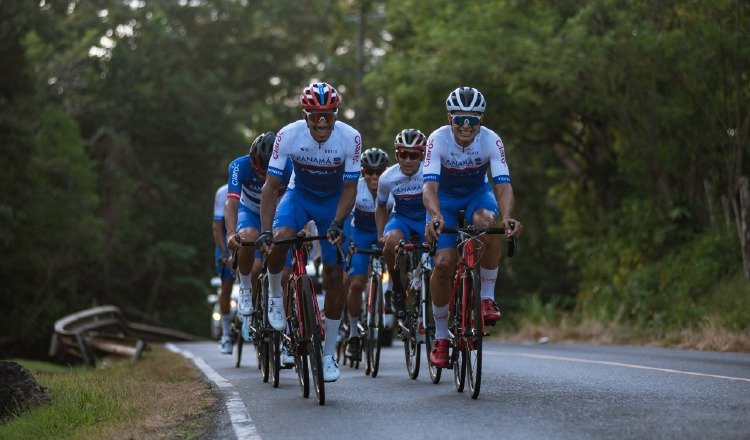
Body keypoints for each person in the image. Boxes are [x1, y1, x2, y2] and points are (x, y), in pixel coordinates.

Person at [256, 82, 361, 382]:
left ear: (336, 114)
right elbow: (271, 187)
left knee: (333, 275)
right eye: (315, 116)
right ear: (305, 116)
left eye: (328, 115)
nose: (323, 122)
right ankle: (276, 295)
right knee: (280, 238)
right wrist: (265, 230)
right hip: (299, 196)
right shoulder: (287, 136)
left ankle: (328, 352)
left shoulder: (350, 137)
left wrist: (338, 223)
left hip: (334, 202)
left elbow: (351, 188)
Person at [423, 86, 523, 368]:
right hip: (444, 199)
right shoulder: (437, 140)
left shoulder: (491, 140)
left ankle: (487, 299)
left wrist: (506, 218)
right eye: (460, 119)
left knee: (486, 224)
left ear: (481, 120)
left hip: (477, 194)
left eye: (473, 119)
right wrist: (435, 215)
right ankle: (441, 337)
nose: (466, 125)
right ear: (449, 118)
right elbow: (429, 186)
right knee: (443, 264)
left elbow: (503, 185)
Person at [224, 133, 293, 347]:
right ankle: (246, 289)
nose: (263, 174)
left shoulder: (289, 166)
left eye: (267, 168)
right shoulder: (239, 166)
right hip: (250, 212)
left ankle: (287, 332)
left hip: (276, 213)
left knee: (286, 276)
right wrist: (230, 233)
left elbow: (296, 197)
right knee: (249, 242)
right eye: (258, 168)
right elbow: (231, 204)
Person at [375, 129, 428, 321]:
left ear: (421, 155)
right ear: (396, 154)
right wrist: (381, 234)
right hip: (402, 218)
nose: (407, 160)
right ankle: (396, 286)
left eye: (413, 155)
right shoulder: (387, 177)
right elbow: (380, 206)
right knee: (391, 242)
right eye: (402, 154)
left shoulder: (430, 172)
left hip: (425, 218)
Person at [344, 148, 392, 361]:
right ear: (363, 172)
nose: (374, 177)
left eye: (379, 172)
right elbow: (346, 219)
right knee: (356, 284)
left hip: (386, 231)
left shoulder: (392, 186)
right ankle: (353, 334)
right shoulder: (356, 188)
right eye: (369, 172)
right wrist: (348, 244)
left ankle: (392, 295)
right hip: (361, 234)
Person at [213, 183, 235, 354]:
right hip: (226, 243)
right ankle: (226, 335)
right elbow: (217, 227)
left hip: (248, 238)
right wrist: (223, 253)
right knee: (226, 285)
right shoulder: (223, 192)